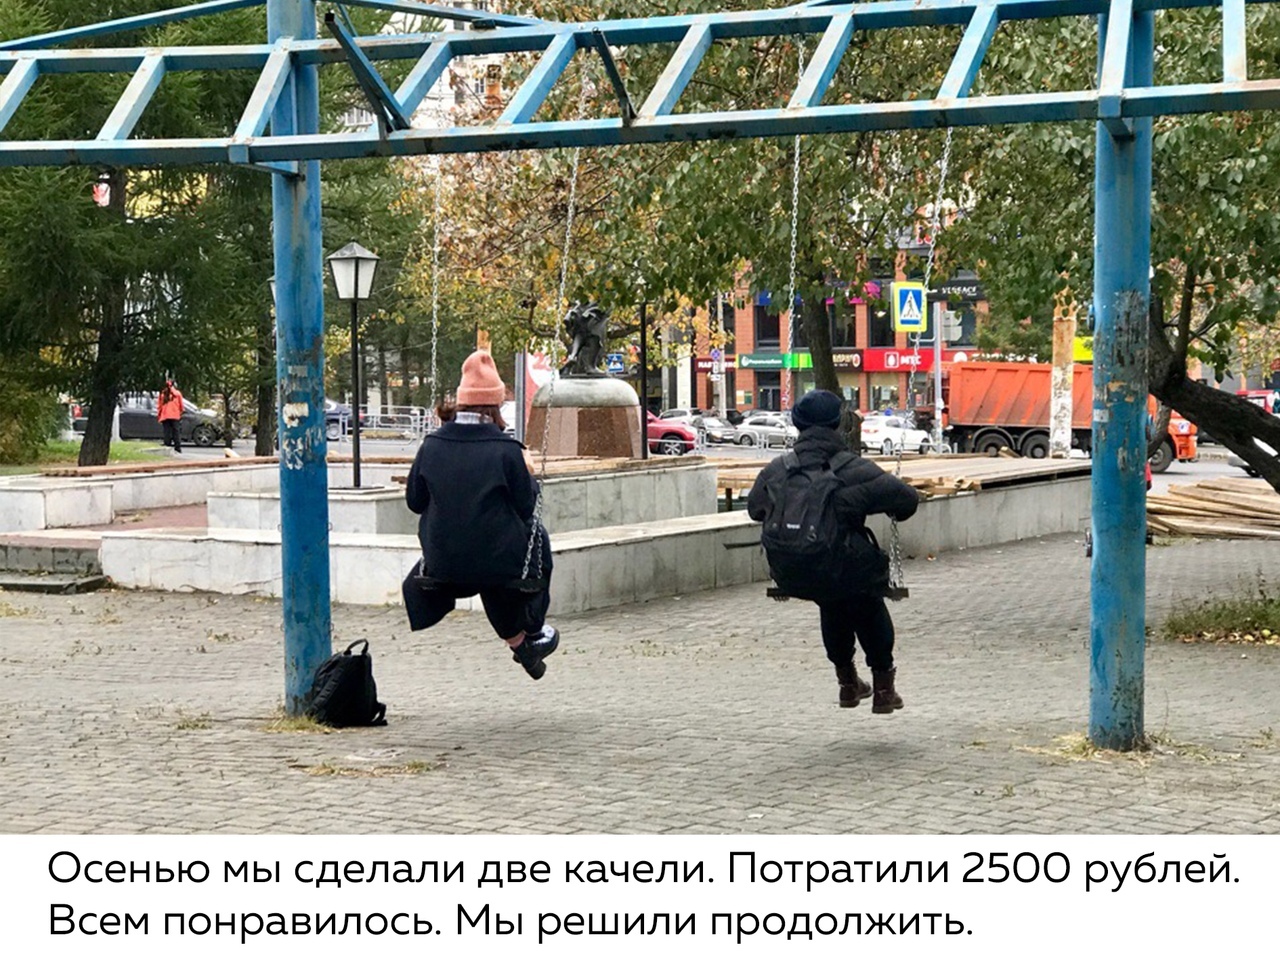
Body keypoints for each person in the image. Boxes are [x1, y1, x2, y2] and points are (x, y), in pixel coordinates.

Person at [747, 389, 920, 714]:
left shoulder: (779, 469)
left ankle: (847, 683)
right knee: (866, 601)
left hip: (793, 569)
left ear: (798, 424)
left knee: (833, 602)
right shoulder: (852, 469)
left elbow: (755, 509)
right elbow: (906, 501)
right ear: (838, 424)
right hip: (846, 568)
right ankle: (883, 688)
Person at [401, 349, 559, 680]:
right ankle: (532, 631)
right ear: (496, 405)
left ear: (461, 402)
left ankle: (522, 646)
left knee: (485, 566)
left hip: (443, 564)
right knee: (529, 544)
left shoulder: (431, 446)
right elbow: (525, 507)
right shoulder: (506, 451)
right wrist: (527, 473)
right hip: (499, 565)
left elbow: (415, 502)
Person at [158, 380, 184, 453]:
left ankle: (167, 446)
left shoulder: (163, 394)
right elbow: (181, 406)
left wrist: (159, 415)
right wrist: (180, 412)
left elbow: (159, 406)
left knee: (167, 432)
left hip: (165, 415)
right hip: (175, 416)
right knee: (176, 432)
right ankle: (177, 447)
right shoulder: (177, 394)